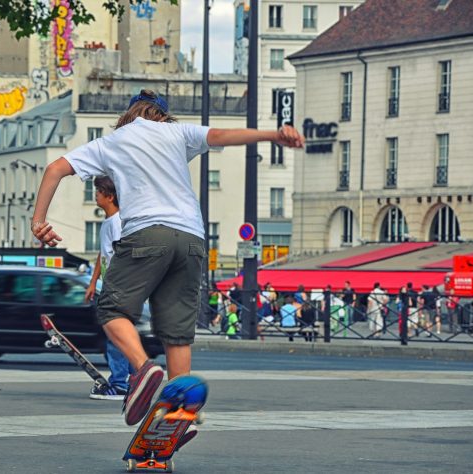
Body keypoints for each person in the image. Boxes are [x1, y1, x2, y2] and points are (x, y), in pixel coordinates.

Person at [30, 89, 304, 427]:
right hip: (191, 239)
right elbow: (222, 135)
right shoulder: (178, 133)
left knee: (112, 309)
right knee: (176, 335)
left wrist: (39, 221)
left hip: (147, 234)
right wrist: (274, 135)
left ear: (129, 115)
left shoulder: (112, 142)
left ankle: (143, 369)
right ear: (162, 115)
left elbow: (56, 168)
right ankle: (179, 413)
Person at [84, 176, 133, 401]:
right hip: (109, 286)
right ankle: (131, 380)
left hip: (119, 288)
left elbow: (125, 257)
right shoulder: (107, 223)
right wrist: (94, 282)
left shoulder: (119, 223)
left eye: (98, 191)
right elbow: (102, 255)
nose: (95, 195)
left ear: (110, 196)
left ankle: (119, 384)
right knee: (119, 335)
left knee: (116, 336)